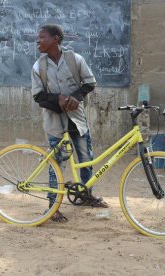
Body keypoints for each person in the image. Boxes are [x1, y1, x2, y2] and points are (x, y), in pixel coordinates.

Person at [31, 24, 108, 222]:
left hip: (76, 119)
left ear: (56, 39)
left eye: (42, 37)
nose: (38, 41)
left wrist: (75, 97)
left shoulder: (75, 59)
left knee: (85, 157)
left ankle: (86, 195)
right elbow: (38, 96)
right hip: (55, 121)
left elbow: (89, 83)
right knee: (56, 163)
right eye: (38, 38)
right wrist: (57, 99)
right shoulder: (39, 66)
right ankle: (53, 207)